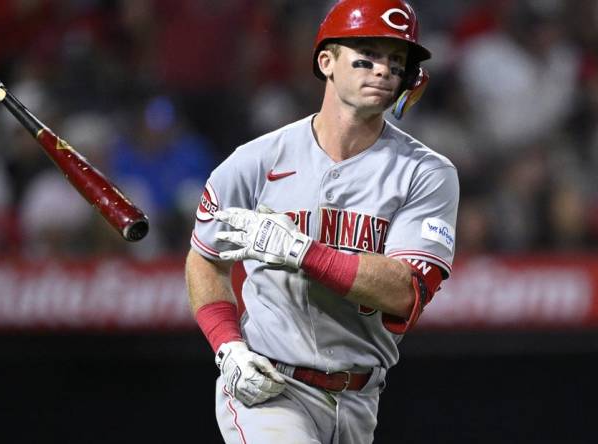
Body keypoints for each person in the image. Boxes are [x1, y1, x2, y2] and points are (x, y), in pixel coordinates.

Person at [184, 1, 459, 443]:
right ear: (326, 61)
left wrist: (301, 252)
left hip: (360, 397)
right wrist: (228, 346)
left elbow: (405, 292)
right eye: (367, 54)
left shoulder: (426, 172)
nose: (384, 70)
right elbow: (205, 258)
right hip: (271, 387)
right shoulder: (256, 161)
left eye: (397, 61)